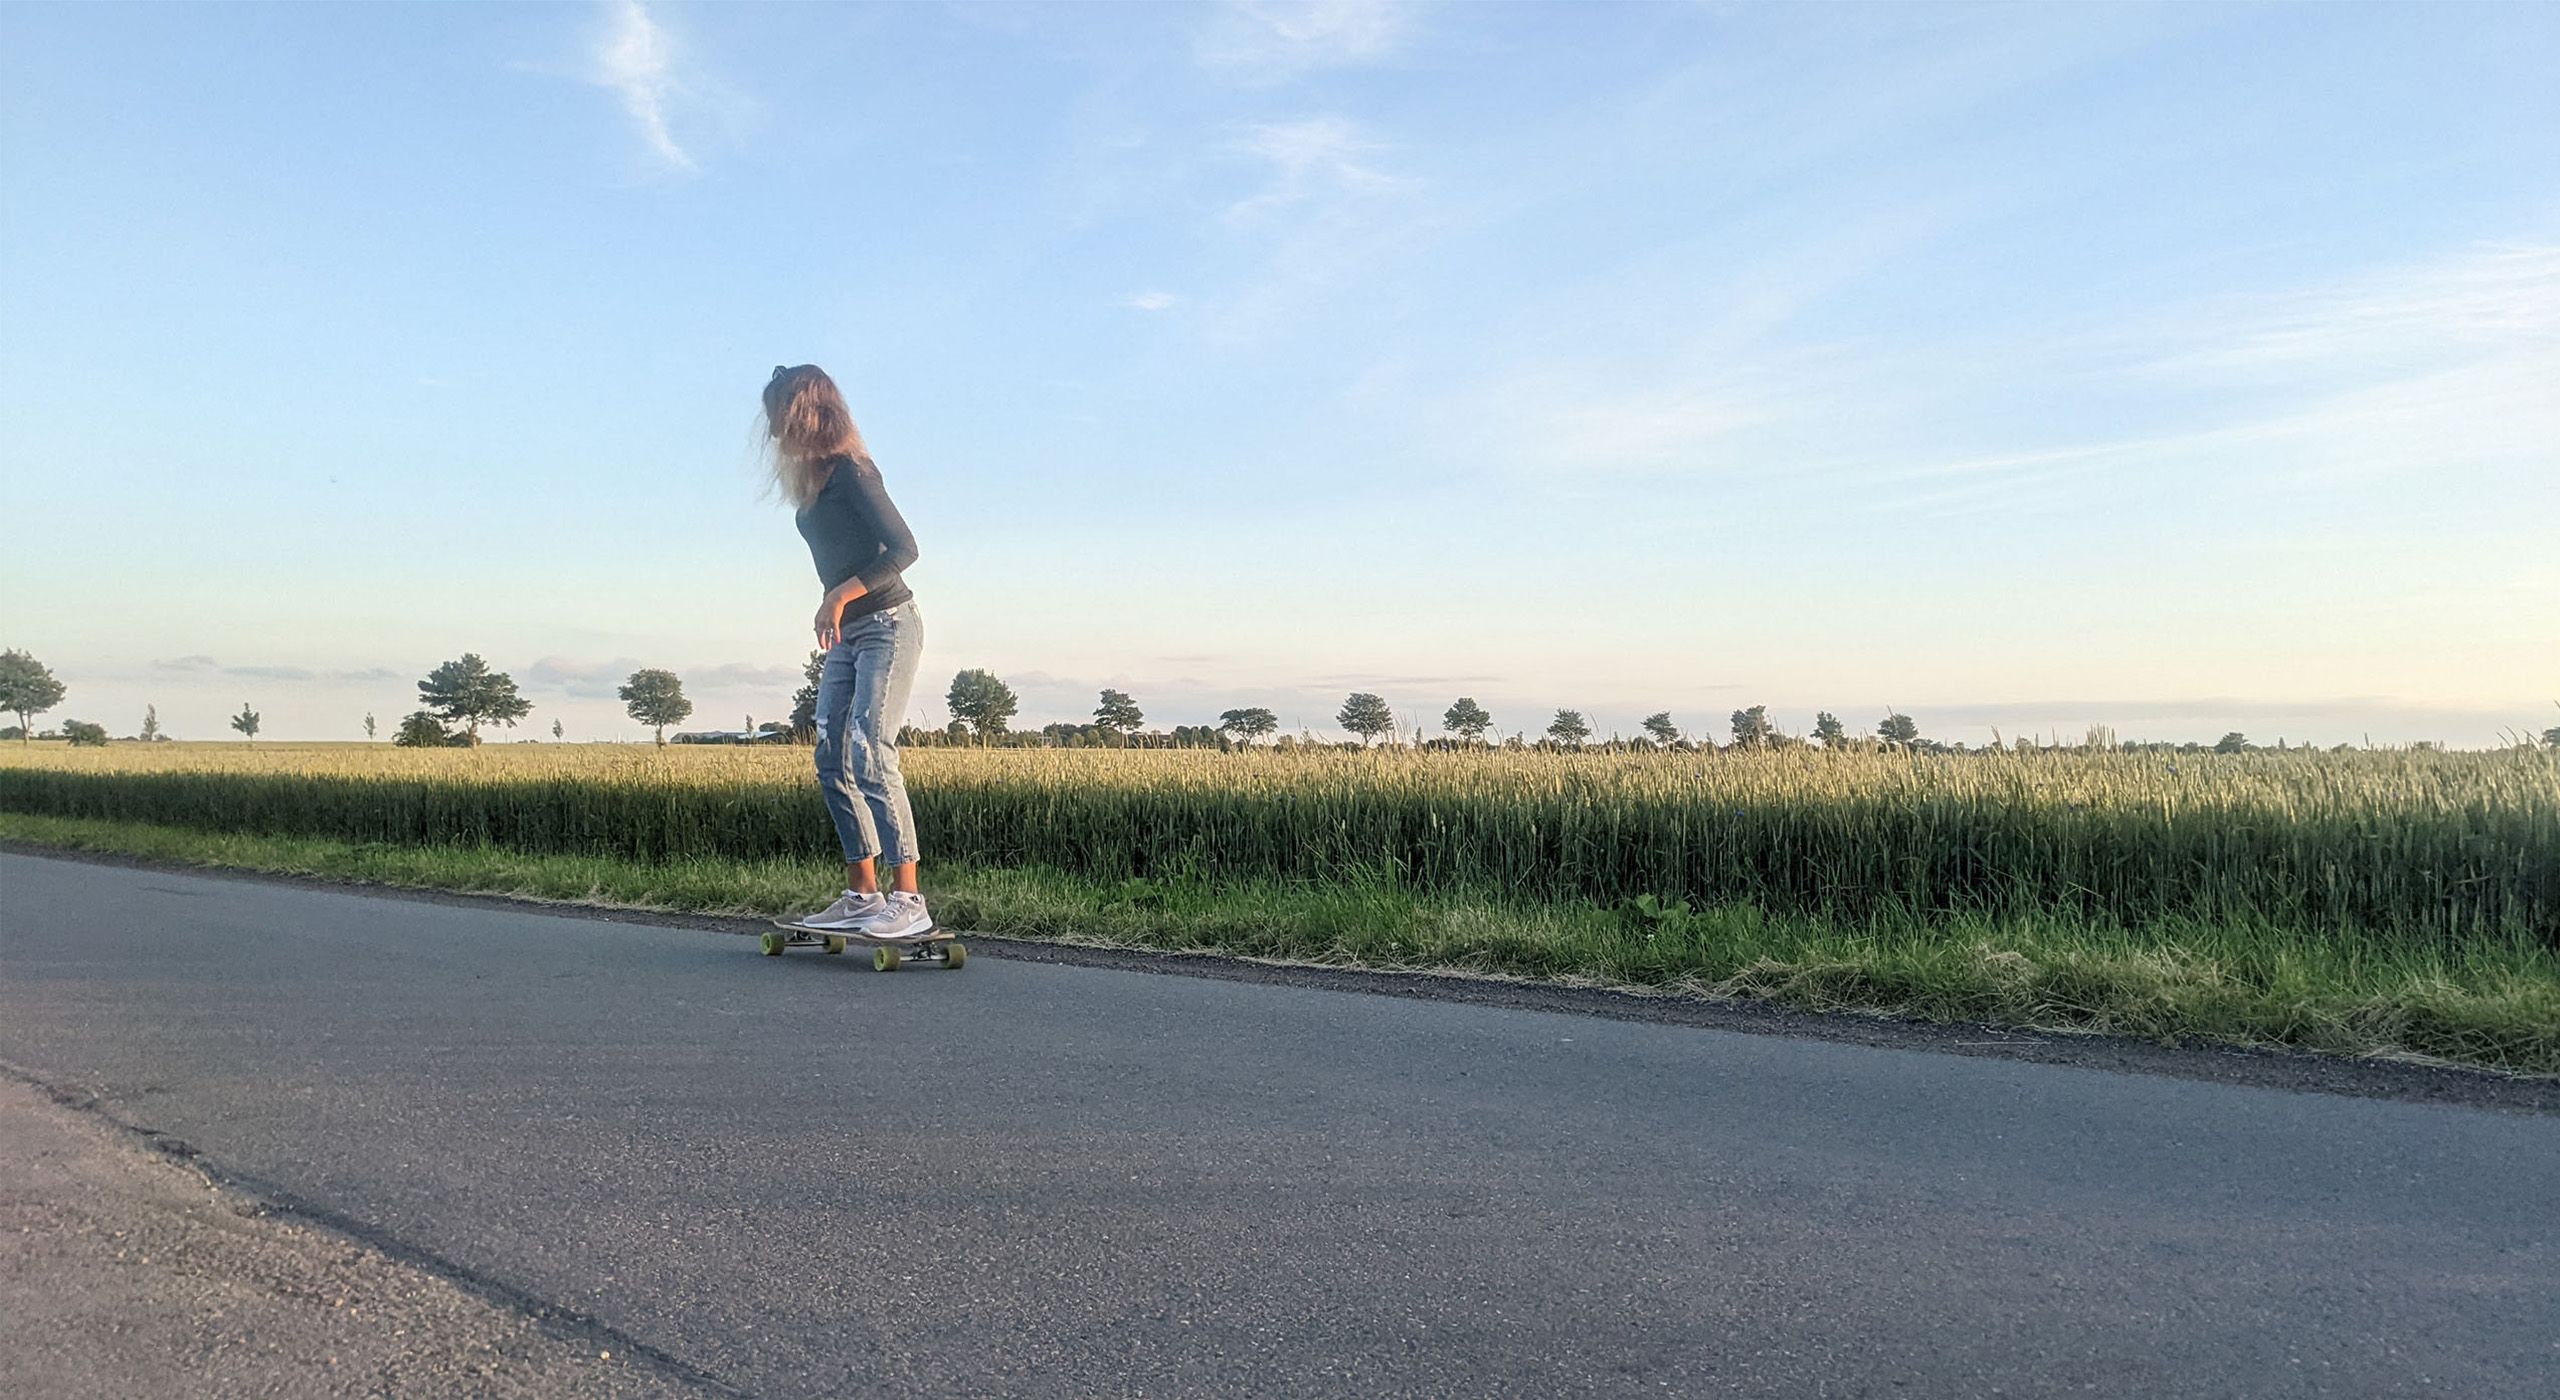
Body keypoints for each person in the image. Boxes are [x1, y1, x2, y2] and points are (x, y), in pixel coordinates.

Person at [764, 364, 934, 939]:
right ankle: (864, 895)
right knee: (830, 755)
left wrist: (838, 594)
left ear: (807, 417)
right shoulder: (812, 483)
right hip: (848, 633)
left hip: (887, 623)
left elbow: (904, 549)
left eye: (778, 421)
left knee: (870, 748)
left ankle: (909, 899)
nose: (772, 435)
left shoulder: (855, 473)